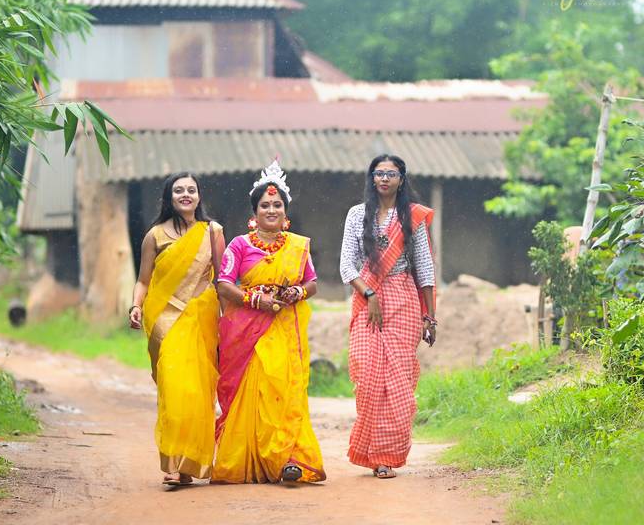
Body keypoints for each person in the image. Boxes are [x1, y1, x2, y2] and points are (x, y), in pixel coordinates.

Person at [211, 160, 325, 484]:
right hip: (248, 332)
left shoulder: (298, 246)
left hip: (285, 329)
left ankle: (288, 459)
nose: (271, 209)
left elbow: (312, 282)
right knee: (256, 392)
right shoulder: (239, 245)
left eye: (277, 204)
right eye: (265, 205)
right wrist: (255, 299)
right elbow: (224, 283)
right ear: (255, 211)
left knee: (285, 392)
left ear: (285, 212)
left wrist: (297, 293)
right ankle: (253, 457)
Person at [340, 154, 437, 479]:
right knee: (368, 377)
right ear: (371, 178)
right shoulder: (357, 214)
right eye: (378, 173)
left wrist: (431, 317)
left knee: (398, 382)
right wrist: (369, 294)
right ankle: (369, 450)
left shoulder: (412, 217)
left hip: (404, 300)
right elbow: (346, 266)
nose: (384, 178)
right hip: (367, 298)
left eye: (390, 174)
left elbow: (424, 267)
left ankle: (386, 456)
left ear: (401, 179)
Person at [128, 172, 224, 486]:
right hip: (165, 321)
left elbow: (222, 280)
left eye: (191, 190)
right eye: (179, 190)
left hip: (201, 319)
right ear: (170, 197)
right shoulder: (154, 235)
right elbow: (143, 280)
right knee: (172, 388)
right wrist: (136, 306)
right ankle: (171, 462)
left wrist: (232, 321)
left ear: (199, 196)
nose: (185, 195)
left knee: (197, 392)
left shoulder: (212, 232)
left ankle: (189, 466)